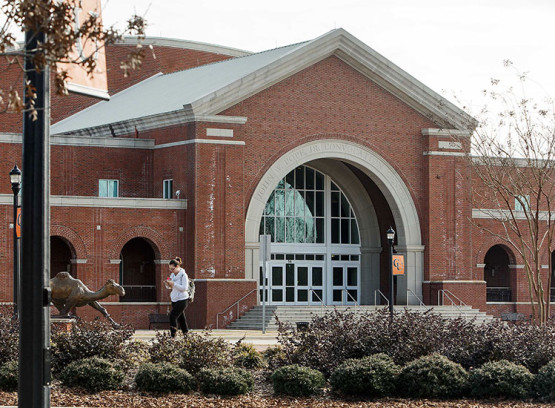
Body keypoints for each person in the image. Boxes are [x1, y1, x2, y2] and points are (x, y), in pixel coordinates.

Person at [165, 257, 189, 337]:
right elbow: (170, 287)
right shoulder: (172, 275)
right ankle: (186, 335)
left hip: (183, 299)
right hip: (174, 299)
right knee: (181, 318)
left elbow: (185, 288)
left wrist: (174, 284)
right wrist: (167, 284)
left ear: (178, 267)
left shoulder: (183, 275)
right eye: (170, 269)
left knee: (173, 316)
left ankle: (173, 336)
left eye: (173, 269)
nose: (171, 271)